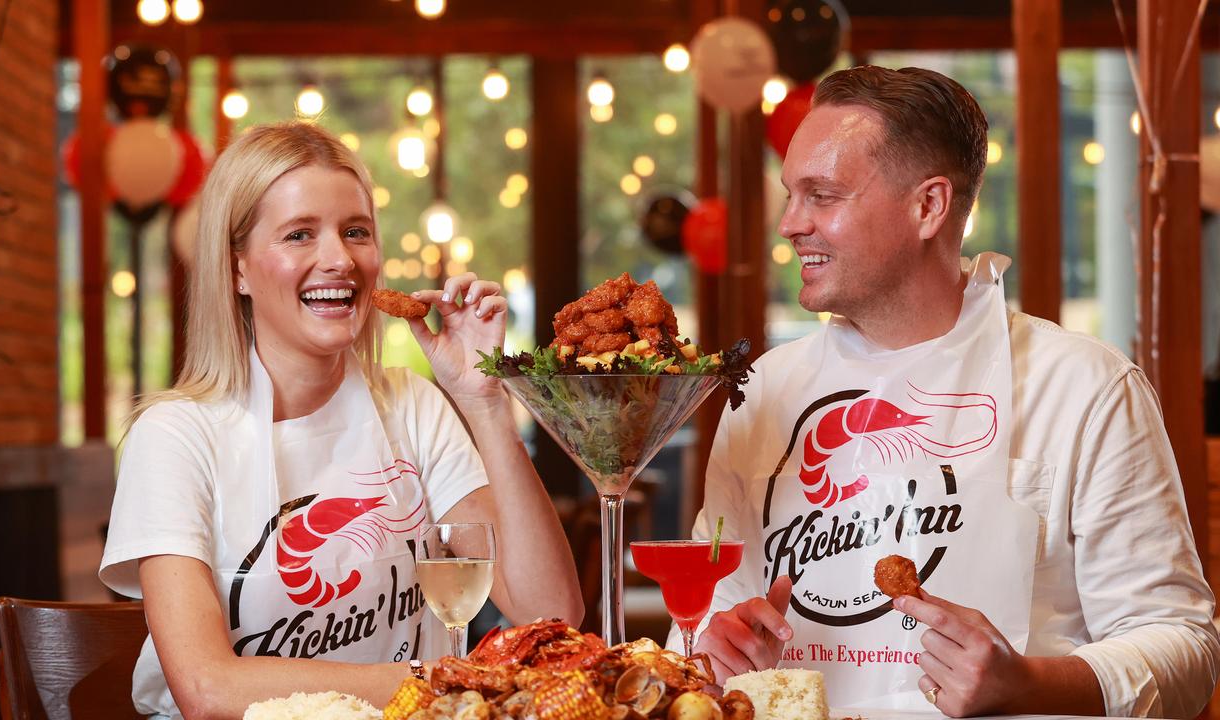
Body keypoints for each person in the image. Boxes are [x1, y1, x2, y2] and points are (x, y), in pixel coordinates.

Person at [683, 66, 1219, 718]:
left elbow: (1185, 647)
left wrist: (1032, 685)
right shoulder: (764, 389)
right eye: (791, 195)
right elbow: (705, 616)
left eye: (821, 195)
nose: (790, 224)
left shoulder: (1085, 385)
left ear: (929, 206)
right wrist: (716, 647)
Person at [99, 121, 583, 718]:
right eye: (299, 235)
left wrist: (485, 404)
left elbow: (552, 615)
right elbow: (207, 689)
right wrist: (446, 681)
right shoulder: (173, 436)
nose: (339, 259)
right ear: (237, 270)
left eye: (356, 232)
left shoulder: (413, 406)